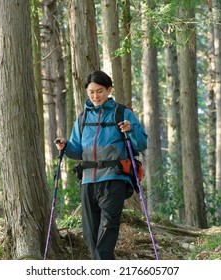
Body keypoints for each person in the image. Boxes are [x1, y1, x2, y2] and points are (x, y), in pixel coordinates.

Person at [55, 70, 147, 260]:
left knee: (108, 226)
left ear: (109, 90)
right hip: (88, 179)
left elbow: (141, 143)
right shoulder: (82, 119)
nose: (95, 96)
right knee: (90, 233)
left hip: (114, 178)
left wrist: (130, 130)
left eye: (100, 91)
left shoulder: (122, 113)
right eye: (91, 92)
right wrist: (65, 146)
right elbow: (77, 151)